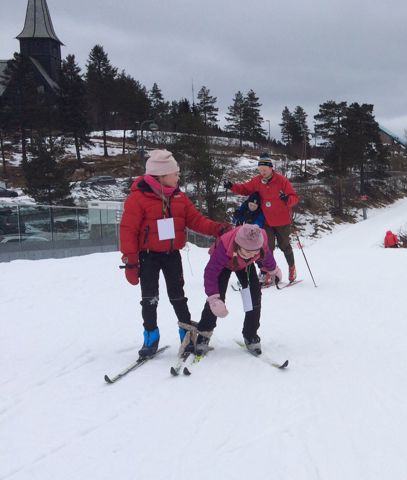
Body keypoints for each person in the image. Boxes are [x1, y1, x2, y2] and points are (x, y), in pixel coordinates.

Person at [119, 149, 228, 358]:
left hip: (172, 255)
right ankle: (150, 337)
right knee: (149, 299)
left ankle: (186, 335)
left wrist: (218, 228)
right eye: (175, 173)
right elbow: (128, 230)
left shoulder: (179, 197)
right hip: (148, 256)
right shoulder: (138, 198)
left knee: (178, 297)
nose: (179, 177)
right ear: (161, 175)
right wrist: (131, 261)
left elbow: (197, 221)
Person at [195, 223, 282, 356]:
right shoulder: (225, 245)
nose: (252, 254)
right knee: (217, 299)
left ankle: (250, 335)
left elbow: (266, 255)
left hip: (245, 265)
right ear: (238, 245)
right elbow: (211, 272)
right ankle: (204, 334)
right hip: (225, 264)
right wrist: (213, 298)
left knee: (254, 297)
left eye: (255, 252)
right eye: (248, 251)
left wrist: (274, 270)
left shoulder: (260, 238)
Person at [224, 153, 299, 284]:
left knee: (285, 245)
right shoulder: (257, 181)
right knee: (266, 248)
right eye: (260, 170)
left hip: (282, 220)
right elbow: (244, 189)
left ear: (271, 168)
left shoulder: (282, 180)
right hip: (267, 221)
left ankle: (292, 268)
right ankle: (268, 271)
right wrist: (232, 186)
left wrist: (287, 199)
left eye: (264, 170)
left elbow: (294, 197)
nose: (262, 172)